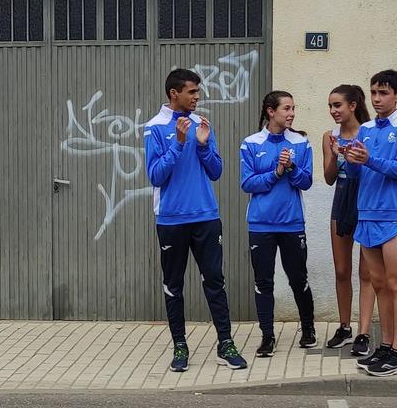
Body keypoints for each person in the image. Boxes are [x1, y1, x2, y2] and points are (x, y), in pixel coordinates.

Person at [144, 67, 247, 373]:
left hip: (206, 216)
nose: (197, 97)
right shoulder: (154, 127)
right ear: (174, 94)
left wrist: (202, 145)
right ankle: (180, 346)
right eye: (192, 92)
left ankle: (225, 343)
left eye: (198, 92)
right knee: (174, 285)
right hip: (172, 220)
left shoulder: (203, 123)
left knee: (215, 281)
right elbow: (155, 175)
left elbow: (216, 171)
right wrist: (178, 142)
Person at [341, 68, 397, 377]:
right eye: (373, 93)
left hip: (393, 215)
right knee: (379, 284)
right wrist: (349, 159)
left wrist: (368, 159)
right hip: (367, 214)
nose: (377, 99)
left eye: (383, 93)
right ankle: (385, 347)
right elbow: (358, 173)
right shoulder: (365, 129)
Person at [238, 90, 317, 357]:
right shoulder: (250, 143)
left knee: (298, 279)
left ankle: (308, 329)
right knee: (263, 282)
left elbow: (306, 182)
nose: (292, 113)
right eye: (286, 109)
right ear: (271, 111)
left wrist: (293, 168)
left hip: (292, 223)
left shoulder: (301, 143)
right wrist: (276, 172)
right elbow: (247, 183)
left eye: (294, 108)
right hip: (260, 225)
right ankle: (267, 336)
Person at [320, 84, 380, 356]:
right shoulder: (329, 136)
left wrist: (356, 158)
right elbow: (329, 178)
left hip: (366, 199)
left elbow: (375, 168)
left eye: (338, 105)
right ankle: (344, 326)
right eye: (331, 106)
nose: (333, 111)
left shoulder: (370, 132)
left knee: (366, 272)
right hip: (341, 199)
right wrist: (334, 155)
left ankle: (363, 332)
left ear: (353, 106)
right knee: (342, 270)